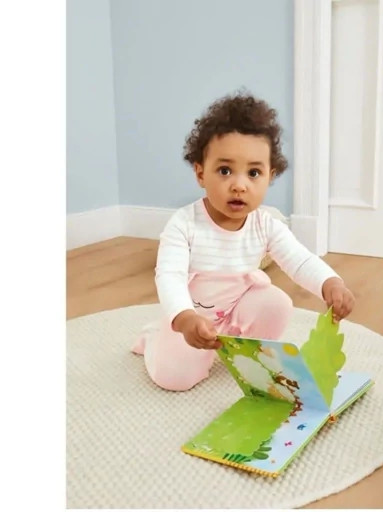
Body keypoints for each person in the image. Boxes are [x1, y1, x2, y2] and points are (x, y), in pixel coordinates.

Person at [132, 92, 355, 391]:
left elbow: (300, 260)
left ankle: (239, 345)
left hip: (236, 309)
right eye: (225, 171)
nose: (239, 185)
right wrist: (183, 318)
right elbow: (169, 276)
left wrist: (330, 282)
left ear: (269, 176)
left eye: (253, 173)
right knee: (174, 378)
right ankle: (154, 340)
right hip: (192, 315)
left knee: (276, 303)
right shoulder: (184, 224)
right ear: (201, 172)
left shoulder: (265, 224)